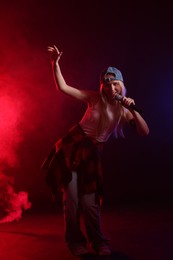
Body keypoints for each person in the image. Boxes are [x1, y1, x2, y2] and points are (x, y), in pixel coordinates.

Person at [41, 45, 149, 257]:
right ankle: (74, 242)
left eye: (115, 84)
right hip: (71, 149)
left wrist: (134, 111)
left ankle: (99, 242)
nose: (111, 89)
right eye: (107, 85)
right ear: (102, 87)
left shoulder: (125, 110)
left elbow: (144, 132)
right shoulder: (94, 98)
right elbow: (64, 88)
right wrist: (55, 64)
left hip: (91, 155)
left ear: (121, 85)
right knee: (71, 202)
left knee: (90, 203)